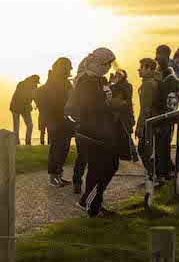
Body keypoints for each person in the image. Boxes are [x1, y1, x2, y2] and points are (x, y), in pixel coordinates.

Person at [73, 48, 124, 217]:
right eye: (107, 64)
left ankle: (93, 203)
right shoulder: (86, 81)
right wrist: (114, 105)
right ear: (98, 63)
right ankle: (89, 202)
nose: (109, 67)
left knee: (106, 166)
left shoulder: (97, 80)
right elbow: (89, 107)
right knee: (102, 167)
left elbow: (102, 99)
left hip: (101, 130)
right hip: (91, 132)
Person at [35, 59, 73, 187]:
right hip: (56, 120)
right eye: (69, 67)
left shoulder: (64, 82)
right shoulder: (54, 83)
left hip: (64, 120)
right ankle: (54, 176)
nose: (71, 69)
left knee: (63, 148)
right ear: (63, 68)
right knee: (57, 148)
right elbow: (50, 101)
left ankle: (58, 174)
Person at [155, 45, 179, 180]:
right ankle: (161, 170)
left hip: (166, 113)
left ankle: (162, 171)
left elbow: (177, 89)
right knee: (161, 144)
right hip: (163, 113)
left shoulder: (167, 73)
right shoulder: (162, 72)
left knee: (163, 144)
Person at [136, 58, 161, 180]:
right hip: (155, 120)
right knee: (151, 150)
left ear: (149, 69)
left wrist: (140, 126)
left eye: (141, 67)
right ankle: (156, 174)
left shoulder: (148, 84)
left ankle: (153, 175)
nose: (139, 69)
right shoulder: (155, 80)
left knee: (143, 150)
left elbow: (145, 108)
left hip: (149, 121)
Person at [10, 75, 40, 145]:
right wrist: (29, 105)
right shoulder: (21, 85)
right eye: (35, 82)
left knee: (29, 125)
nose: (36, 84)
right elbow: (22, 97)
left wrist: (36, 103)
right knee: (17, 126)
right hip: (16, 107)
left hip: (24, 108)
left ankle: (28, 141)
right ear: (32, 81)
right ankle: (17, 142)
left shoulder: (34, 87)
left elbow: (35, 96)